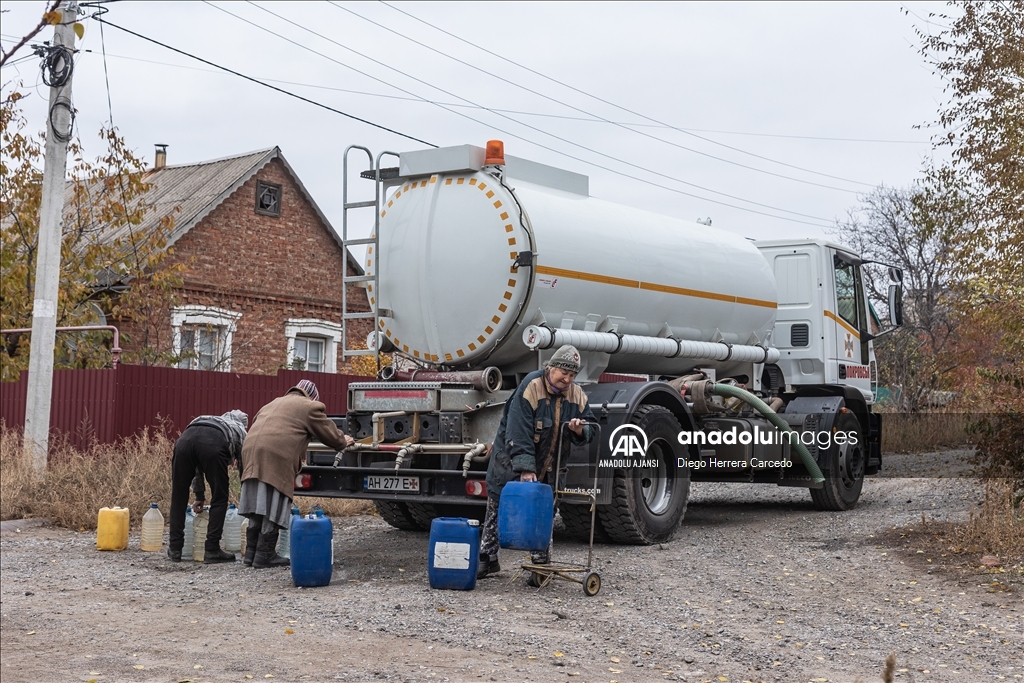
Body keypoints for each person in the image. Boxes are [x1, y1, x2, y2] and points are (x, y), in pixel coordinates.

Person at [479, 345, 596, 581]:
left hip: (552, 464)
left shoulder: (576, 394)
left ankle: (540, 566)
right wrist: (526, 468)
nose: (567, 379)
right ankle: (487, 559)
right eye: (564, 372)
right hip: (510, 459)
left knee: (545, 511)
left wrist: (581, 430)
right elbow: (518, 430)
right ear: (551, 367)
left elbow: (591, 425)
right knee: (497, 505)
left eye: (572, 375)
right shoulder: (532, 386)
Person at [238, 380, 354, 568]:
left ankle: (251, 554)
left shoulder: (273, 402)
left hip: (250, 450)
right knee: (273, 500)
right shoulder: (310, 406)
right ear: (312, 396)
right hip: (274, 453)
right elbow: (328, 432)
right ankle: (265, 555)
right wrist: (343, 440)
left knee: (257, 502)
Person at [168, 410, 248, 563]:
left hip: (184, 441)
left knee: (179, 495)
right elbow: (244, 468)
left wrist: (199, 495)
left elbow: (196, 462)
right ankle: (212, 550)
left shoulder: (208, 419)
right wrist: (246, 494)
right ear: (244, 424)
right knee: (220, 496)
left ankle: (175, 548)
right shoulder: (241, 431)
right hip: (214, 443)